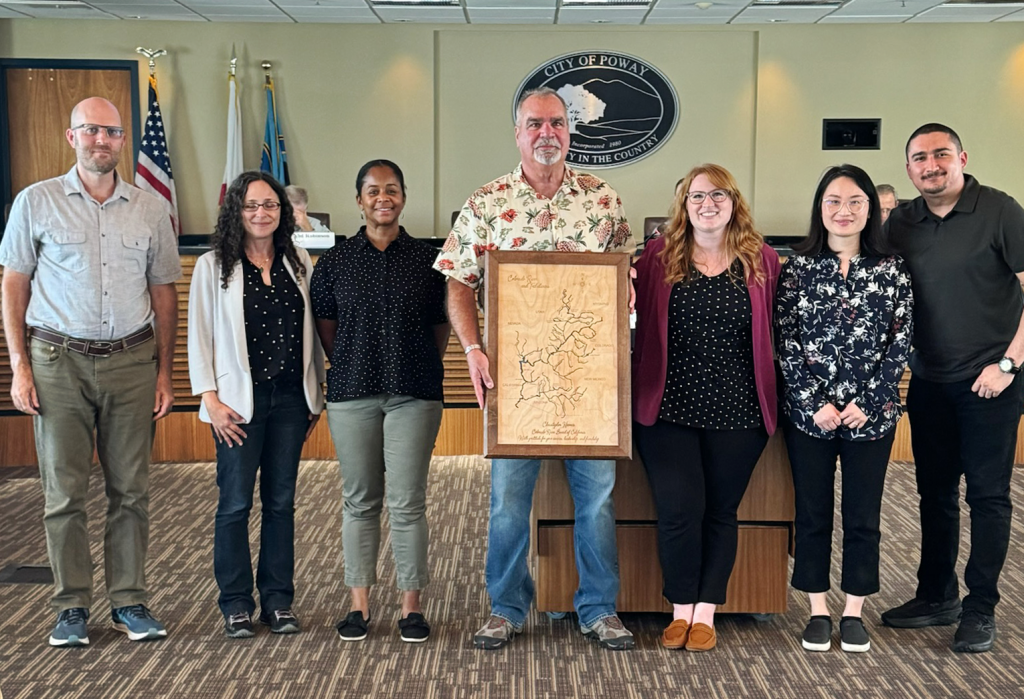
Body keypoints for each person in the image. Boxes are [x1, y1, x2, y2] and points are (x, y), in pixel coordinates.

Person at [434, 87, 635, 651]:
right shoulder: (487, 202)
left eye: (556, 123)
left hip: (589, 383)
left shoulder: (602, 201)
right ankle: (505, 607)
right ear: (517, 132)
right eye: (534, 124)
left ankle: (599, 608)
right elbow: (457, 283)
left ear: (570, 131)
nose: (546, 133)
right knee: (507, 504)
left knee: (596, 501)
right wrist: (474, 349)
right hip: (515, 383)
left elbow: (626, 281)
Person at [0, 97, 180, 647]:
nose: (102, 140)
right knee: (64, 492)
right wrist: (20, 368)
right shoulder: (36, 202)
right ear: (71, 135)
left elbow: (164, 293)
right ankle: (71, 606)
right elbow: (14, 285)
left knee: (131, 491)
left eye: (112, 131)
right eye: (91, 130)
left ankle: (129, 602)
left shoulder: (149, 209)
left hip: (131, 362)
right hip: (58, 363)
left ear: (124, 140)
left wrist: (165, 373)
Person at [882, 124, 1024, 653]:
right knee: (934, 494)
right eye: (919, 158)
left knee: (987, 497)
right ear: (909, 169)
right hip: (930, 381)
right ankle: (936, 594)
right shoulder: (903, 222)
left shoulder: (999, 210)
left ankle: (980, 607)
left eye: (941, 154)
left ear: (962, 156)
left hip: (992, 381)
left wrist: (1008, 364)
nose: (931, 165)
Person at [632, 164, 779, 652]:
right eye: (697, 196)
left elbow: (782, 333)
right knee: (678, 510)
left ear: (734, 202)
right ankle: (679, 610)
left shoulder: (763, 261)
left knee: (721, 511)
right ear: (684, 204)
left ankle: (706, 613)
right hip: (668, 406)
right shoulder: (655, 258)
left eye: (718, 195)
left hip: (740, 411)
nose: (707, 204)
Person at [776, 164, 913, 654]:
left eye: (855, 201)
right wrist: (814, 403)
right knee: (812, 514)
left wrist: (869, 401)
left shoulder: (892, 269)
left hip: (870, 419)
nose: (844, 211)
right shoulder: (795, 268)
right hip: (809, 419)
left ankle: (853, 610)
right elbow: (784, 341)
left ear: (870, 210)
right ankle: (816, 608)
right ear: (820, 209)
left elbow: (901, 342)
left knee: (863, 516)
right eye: (833, 201)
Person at [311, 159, 449, 644]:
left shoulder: (431, 261)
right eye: (372, 191)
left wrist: (409, 365)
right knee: (360, 501)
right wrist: (357, 360)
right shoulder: (335, 262)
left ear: (404, 197)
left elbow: (440, 329)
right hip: (353, 394)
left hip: (415, 394)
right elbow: (329, 331)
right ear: (359, 201)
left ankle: (411, 608)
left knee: (408, 502)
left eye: (391, 189)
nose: (382, 198)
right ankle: (359, 607)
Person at [188, 171, 325, 639]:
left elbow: (311, 337)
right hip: (237, 405)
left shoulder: (299, 260)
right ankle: (235, 603)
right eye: (251, 206)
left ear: (282, 212)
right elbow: (199, 337)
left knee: (281, 502)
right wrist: (210, 399)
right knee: (235, 503)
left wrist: (314, 397)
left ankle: (278, 601)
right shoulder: (213, 266)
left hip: (290, 400)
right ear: (236, 212)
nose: (261, 213)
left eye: (270, 205)